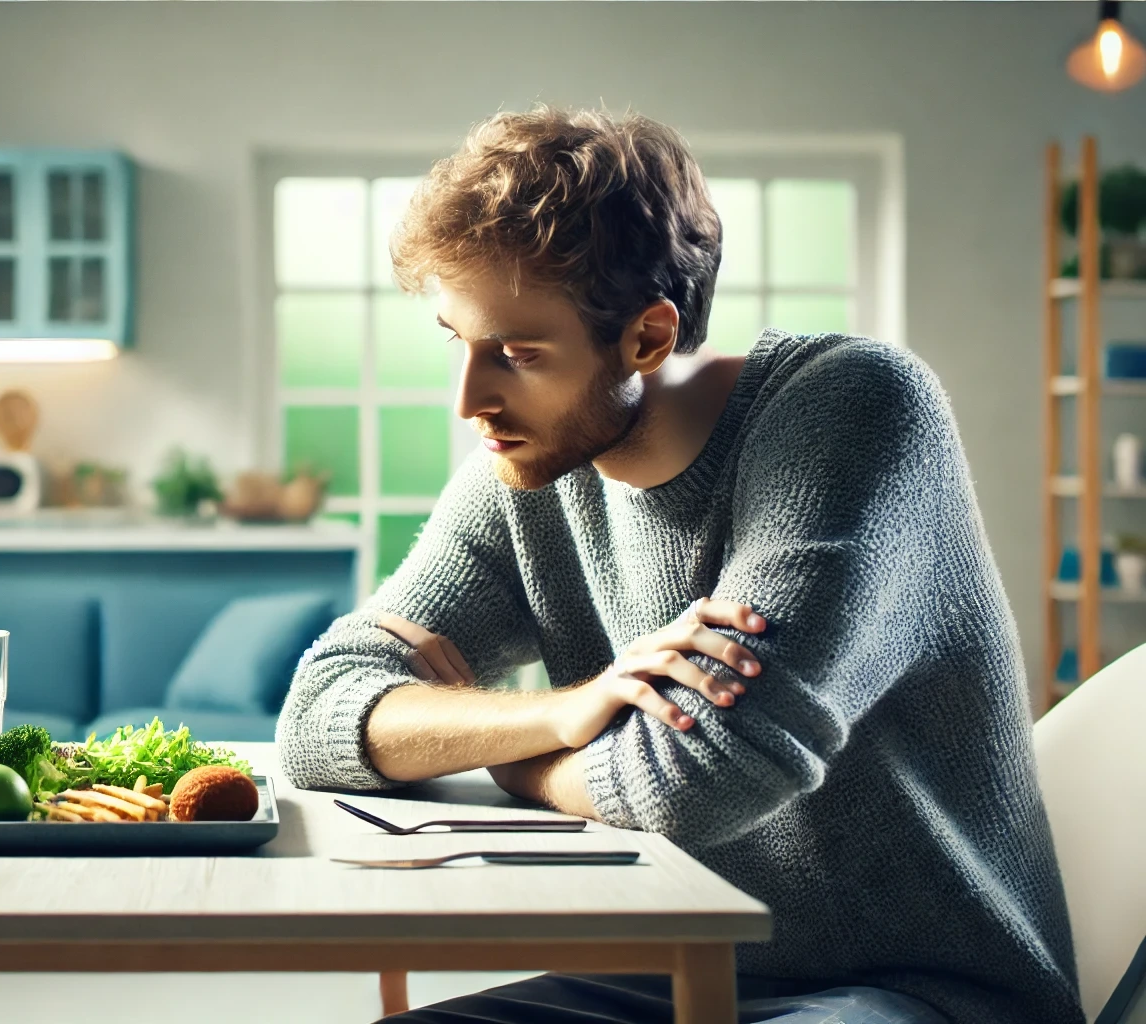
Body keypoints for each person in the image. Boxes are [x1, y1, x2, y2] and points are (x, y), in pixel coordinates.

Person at [274, 107, 1081, 1024]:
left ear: (648, 338)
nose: (470, 398)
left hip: (926, 992)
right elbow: (319, 715)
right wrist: (563, 710)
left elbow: (691, 779)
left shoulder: (852, 413)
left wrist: (515, 766)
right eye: (456, 341)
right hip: (671, 972)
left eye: (519, 354)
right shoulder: (527, 473)